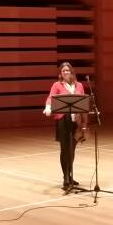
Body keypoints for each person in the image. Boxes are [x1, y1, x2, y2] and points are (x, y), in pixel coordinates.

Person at [43, 62, 87, 190]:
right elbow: (51, 97)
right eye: (63, 71)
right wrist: (48, 107)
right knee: (65, 149)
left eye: (67, 70)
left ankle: (71, 175)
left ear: (72, 71)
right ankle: (65, 177)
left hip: (76, 121)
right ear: (60, 74)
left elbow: (83, 104)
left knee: (72, 149)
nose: (66, 72)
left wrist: (84, 123)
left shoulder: (79, 85)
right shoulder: (57, 85)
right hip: (63, 120)